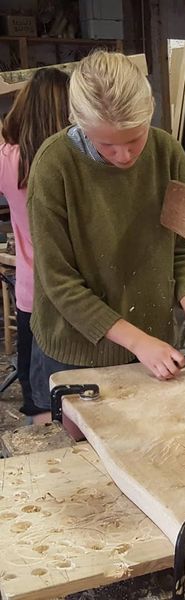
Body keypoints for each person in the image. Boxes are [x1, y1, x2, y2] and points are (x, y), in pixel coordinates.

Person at [27, 50, 185, 423]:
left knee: (149, 441)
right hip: (76, 347)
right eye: (106, 144)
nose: (123, 155)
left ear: (150, 111)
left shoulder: (167, 152)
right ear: (80, 124)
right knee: (79, 454)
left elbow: (180, 250)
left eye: (134, 139)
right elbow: (59, 282)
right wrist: (138, 341)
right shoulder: (54, 166)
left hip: (152, 337)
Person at [0, 67, 71, 418]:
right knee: (78, 392)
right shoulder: (75, 161)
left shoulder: (7, 157)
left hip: (32, 291)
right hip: (76, 291)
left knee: (38, 397)